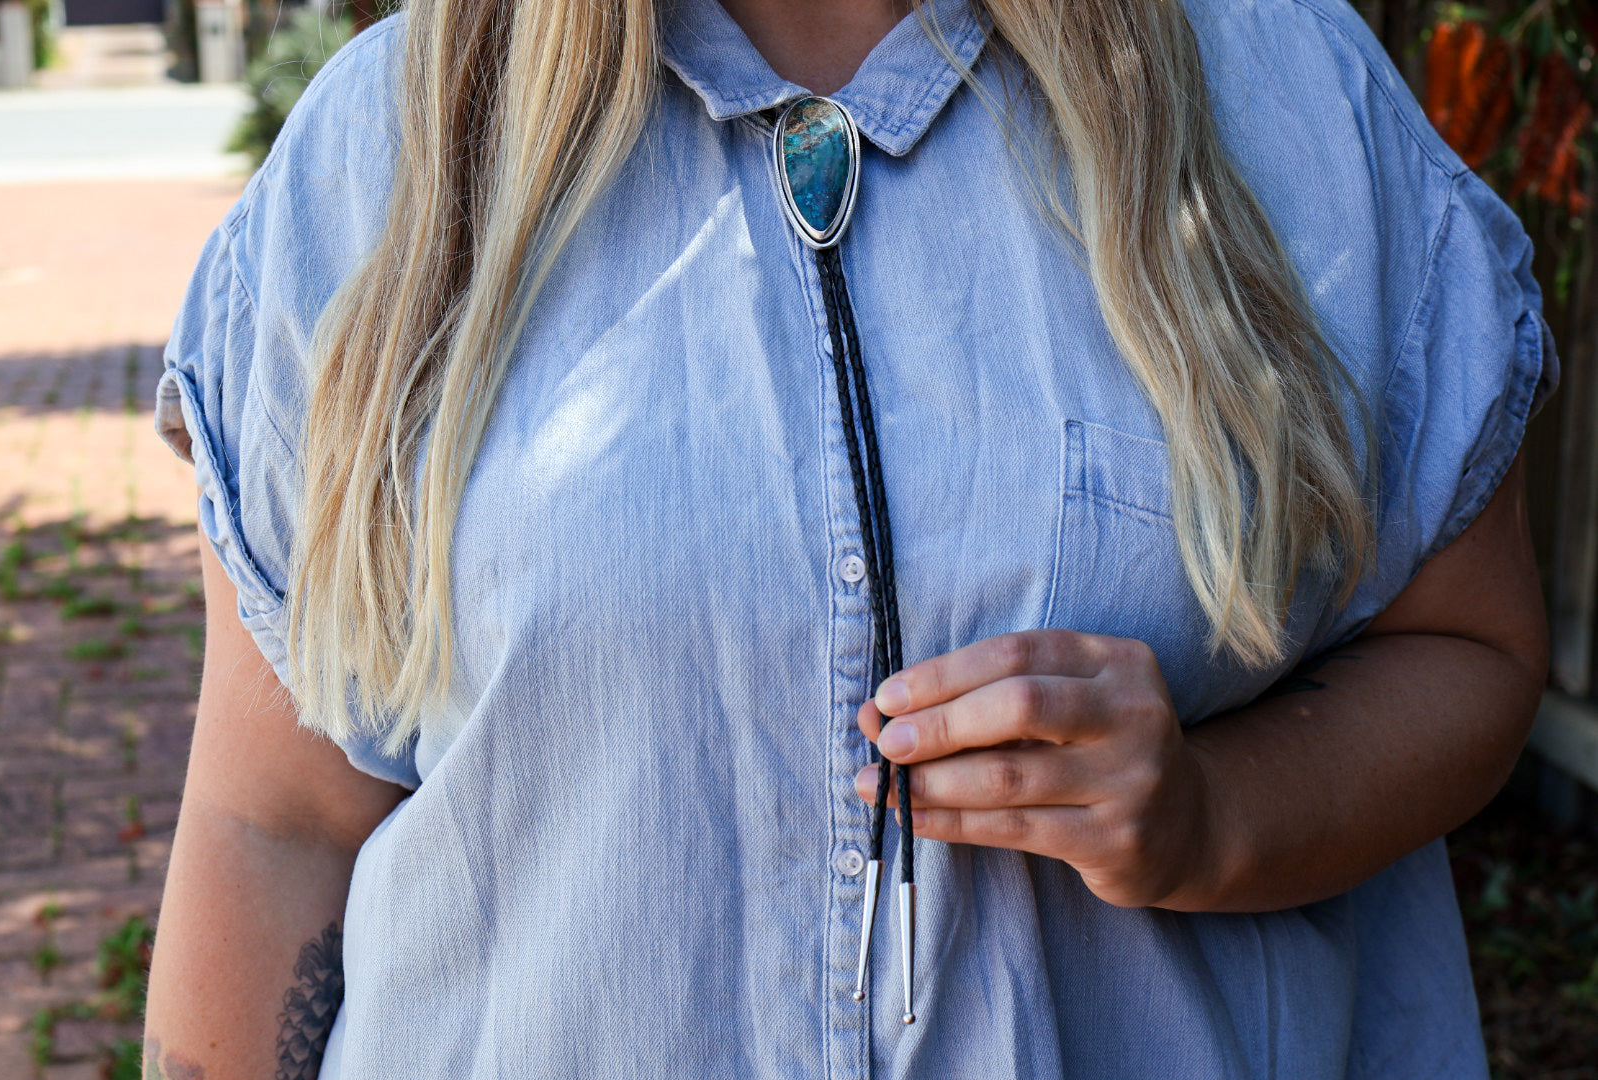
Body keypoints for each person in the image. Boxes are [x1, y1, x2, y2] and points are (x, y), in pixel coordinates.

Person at [142, 0, 1558, 1074]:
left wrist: (1217, 816)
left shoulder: (1283, 97)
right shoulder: (384, 162)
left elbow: (1468, 648)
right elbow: (274, 822)